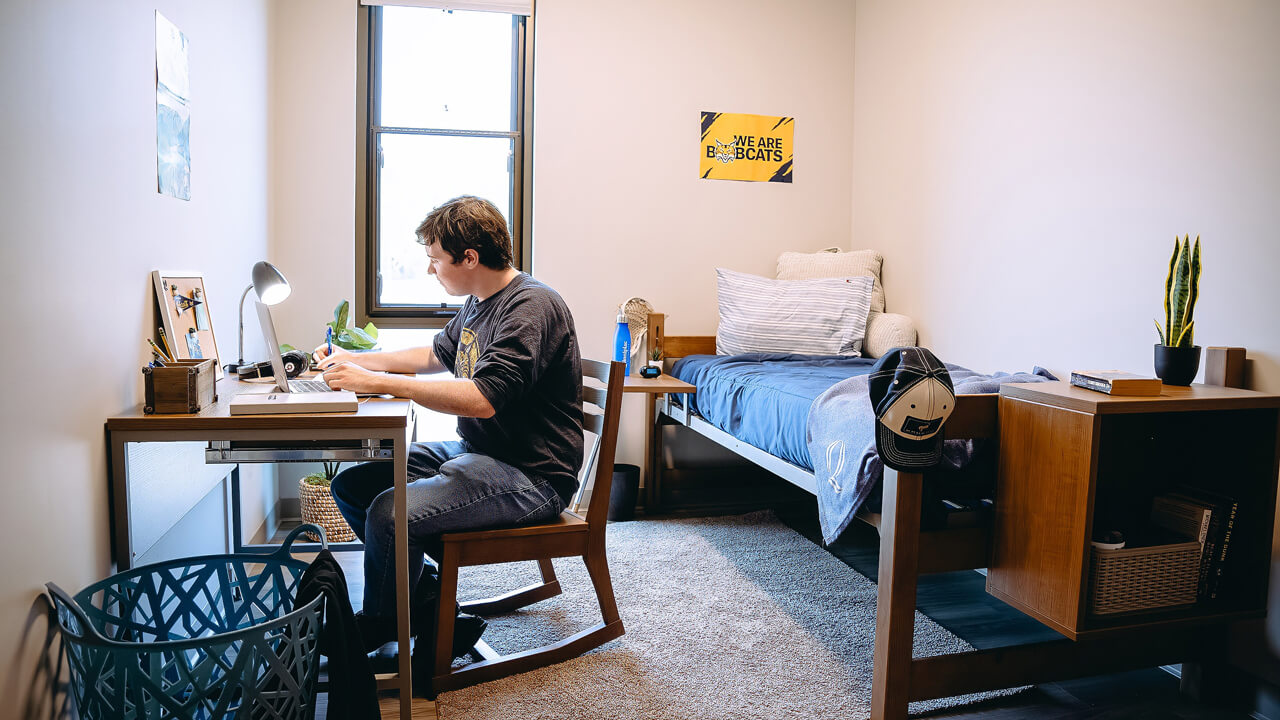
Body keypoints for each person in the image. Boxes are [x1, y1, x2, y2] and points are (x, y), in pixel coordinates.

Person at [314, 195, 583, 660]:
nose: (431, 270)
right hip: (481, 455)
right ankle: (430, 606)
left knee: (390, 516)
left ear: (470, 257)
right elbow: (433, 356)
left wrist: (378, 383)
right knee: (355, 485)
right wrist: (354, 360)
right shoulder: (481, 303)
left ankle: (382, 623)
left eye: (434, 260)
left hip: (531, 476)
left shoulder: (531, 307)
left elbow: (482, 399)